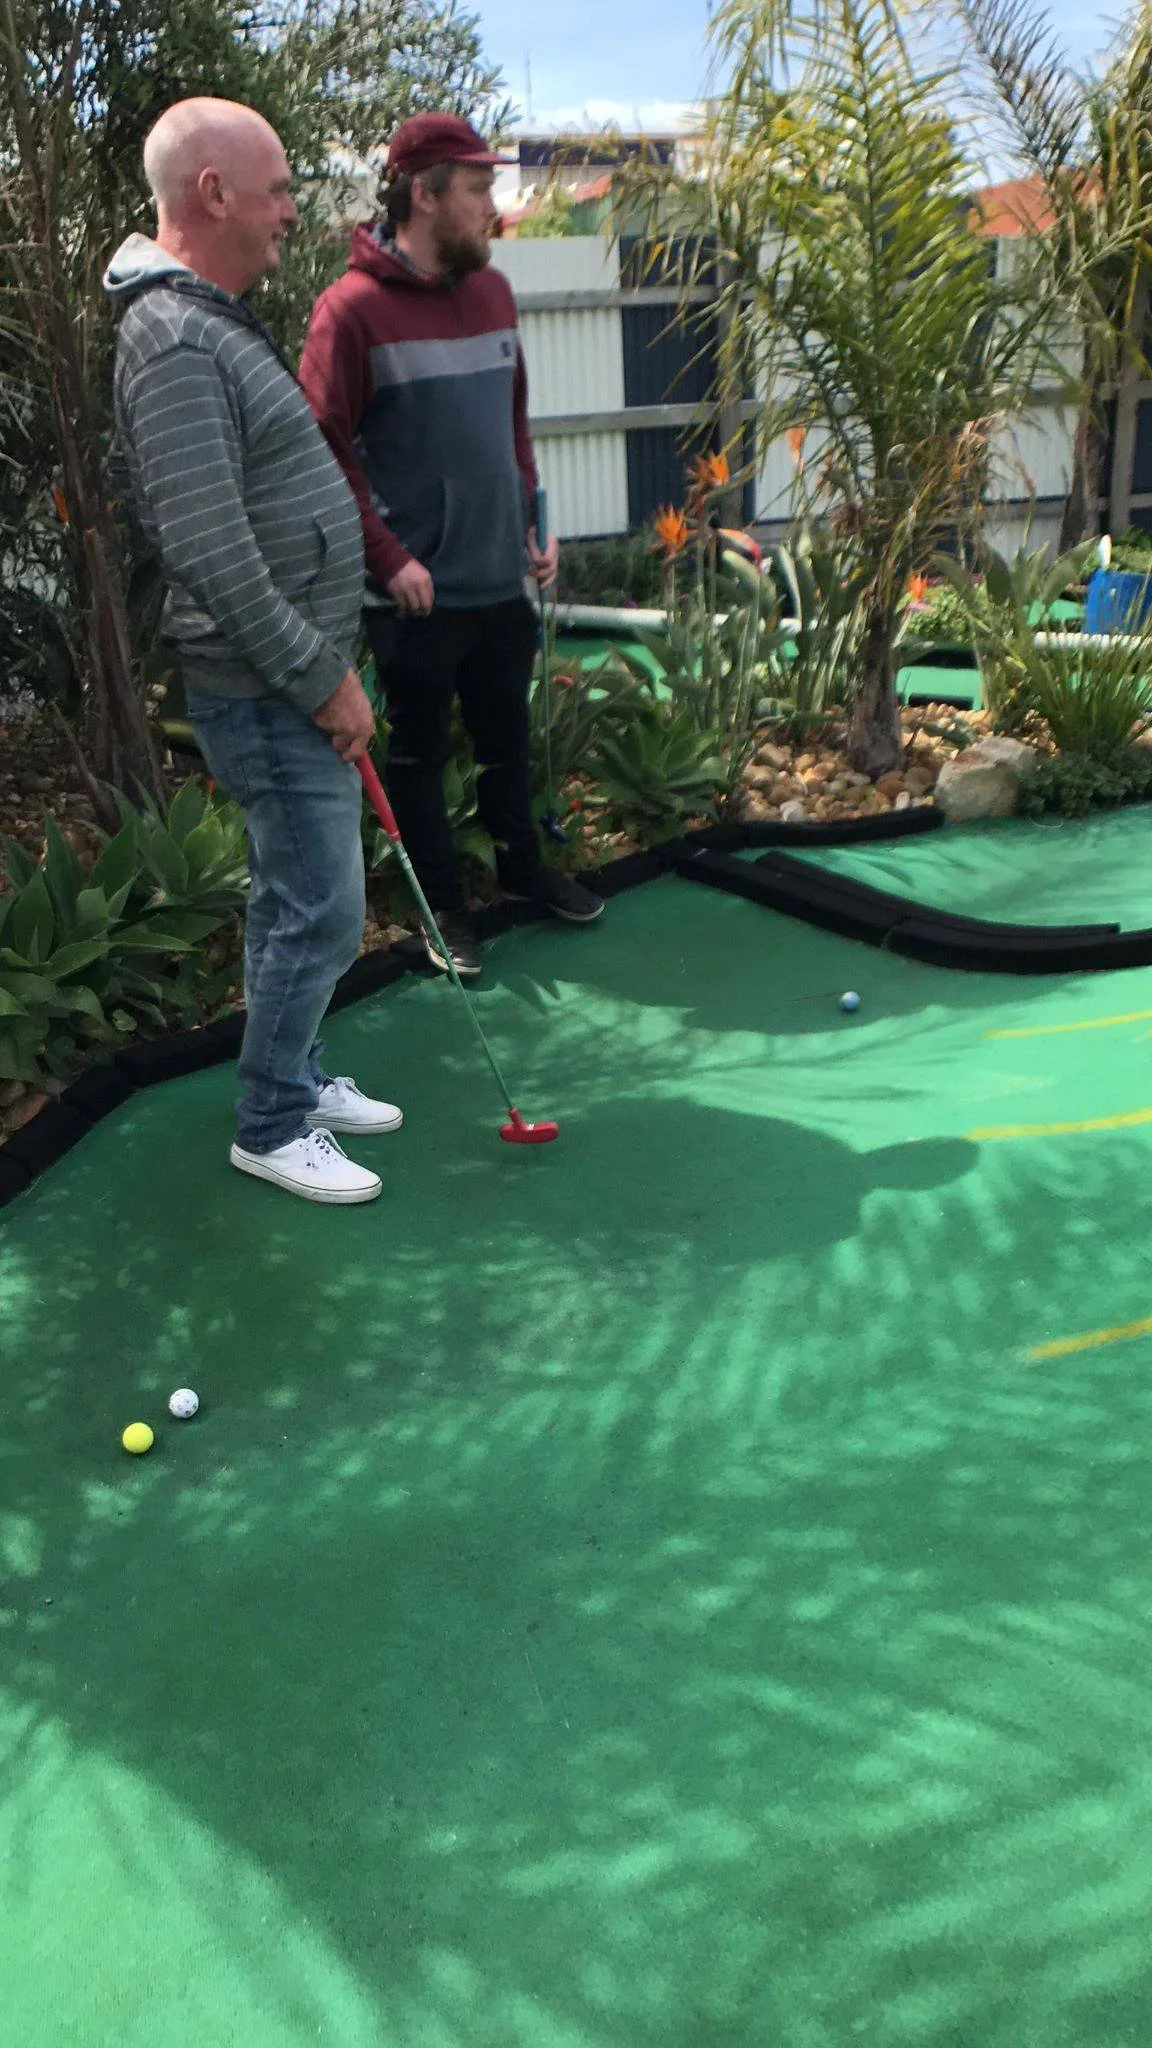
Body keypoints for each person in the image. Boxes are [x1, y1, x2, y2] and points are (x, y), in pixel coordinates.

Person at [104, 96, 398, 1206]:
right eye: (277, 187)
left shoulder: (203, 318)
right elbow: (212, 551)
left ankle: (296, 1075)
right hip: (267, 688)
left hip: (288, 680)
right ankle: (271, 1122)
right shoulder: (173, 337)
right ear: (212, 192)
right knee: (318, 905)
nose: (292, 210)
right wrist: (322, 674)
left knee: (298, 896)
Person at [298, 112, 604, 980]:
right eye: (478, 190)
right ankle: (443, 915)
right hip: (414, 594)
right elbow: (322, 455)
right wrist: (387, 558)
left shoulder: (493, 293)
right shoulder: (348, 313)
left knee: (510, 737)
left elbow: (512, 421)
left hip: (499, 580)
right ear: (424, 194)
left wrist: (533, 525)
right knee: (419, 754)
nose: (494, 208)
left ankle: (524, 873)